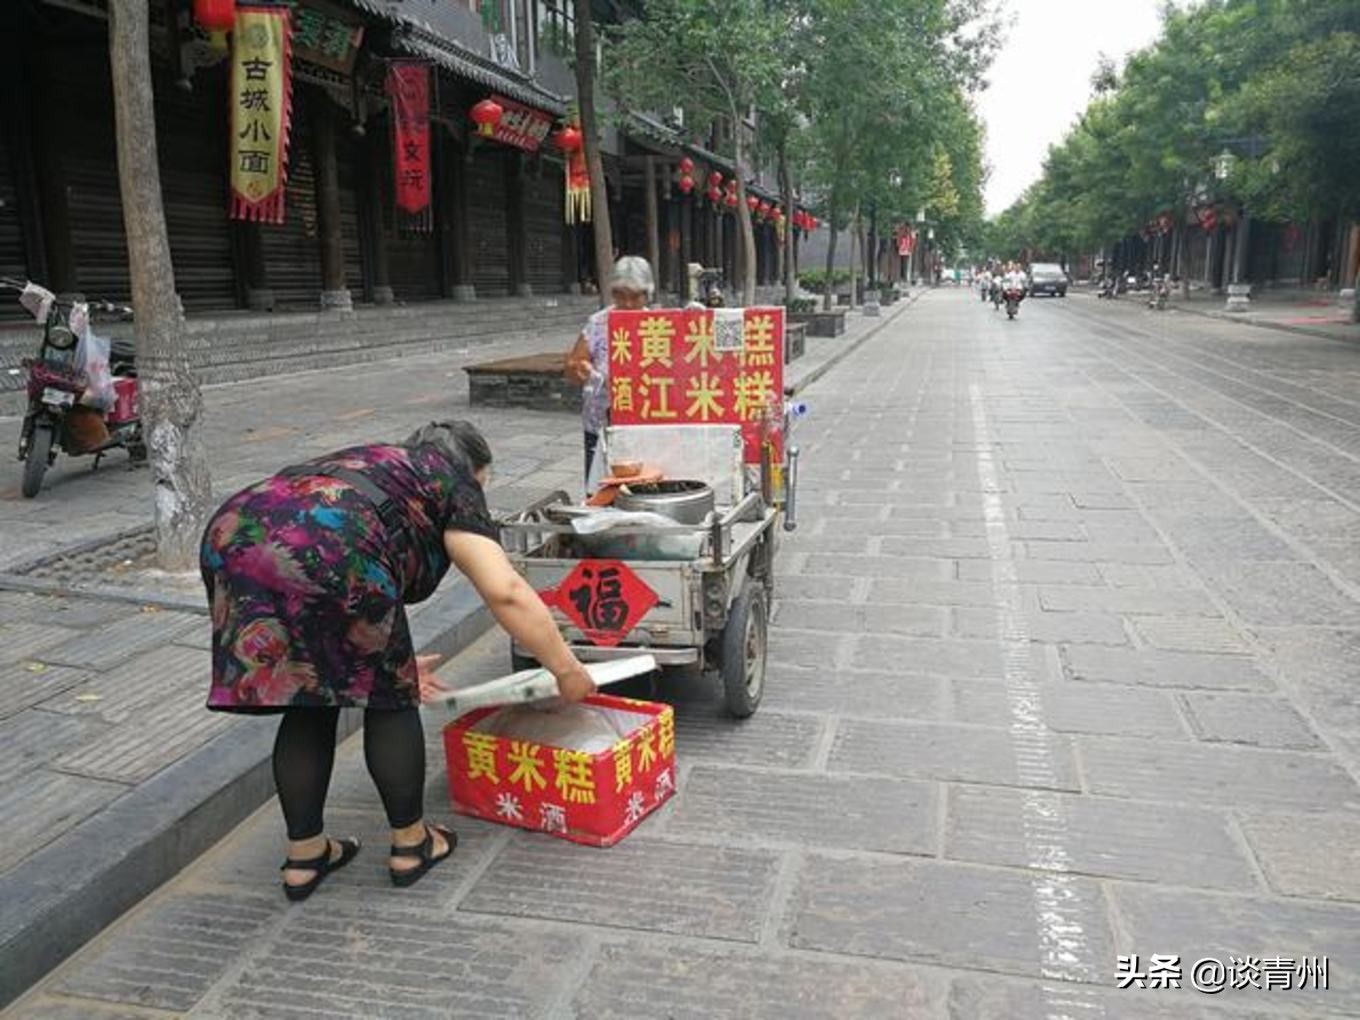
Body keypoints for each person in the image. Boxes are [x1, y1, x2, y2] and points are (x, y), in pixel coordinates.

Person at [201, 420, 596, 900]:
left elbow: (352, 537)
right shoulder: (454, 480)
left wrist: (401, 661)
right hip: (332, 549)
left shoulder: (379, 462)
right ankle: (411, 843)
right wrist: (566, 669)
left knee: (307, 693)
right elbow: (506, 591)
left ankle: (305, 855)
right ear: (475, 469)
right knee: (390, 703)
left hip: (236, 535)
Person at [564, 256, 655, 485]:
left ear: (648, 294)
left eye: (635, 296)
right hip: (603, 420)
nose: (628, 303)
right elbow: (573, 366)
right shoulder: (598, 323)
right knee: (600, 486)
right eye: (620, 295)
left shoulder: (658, 324)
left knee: (645, 483)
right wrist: (580, 369)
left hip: (646, 421)